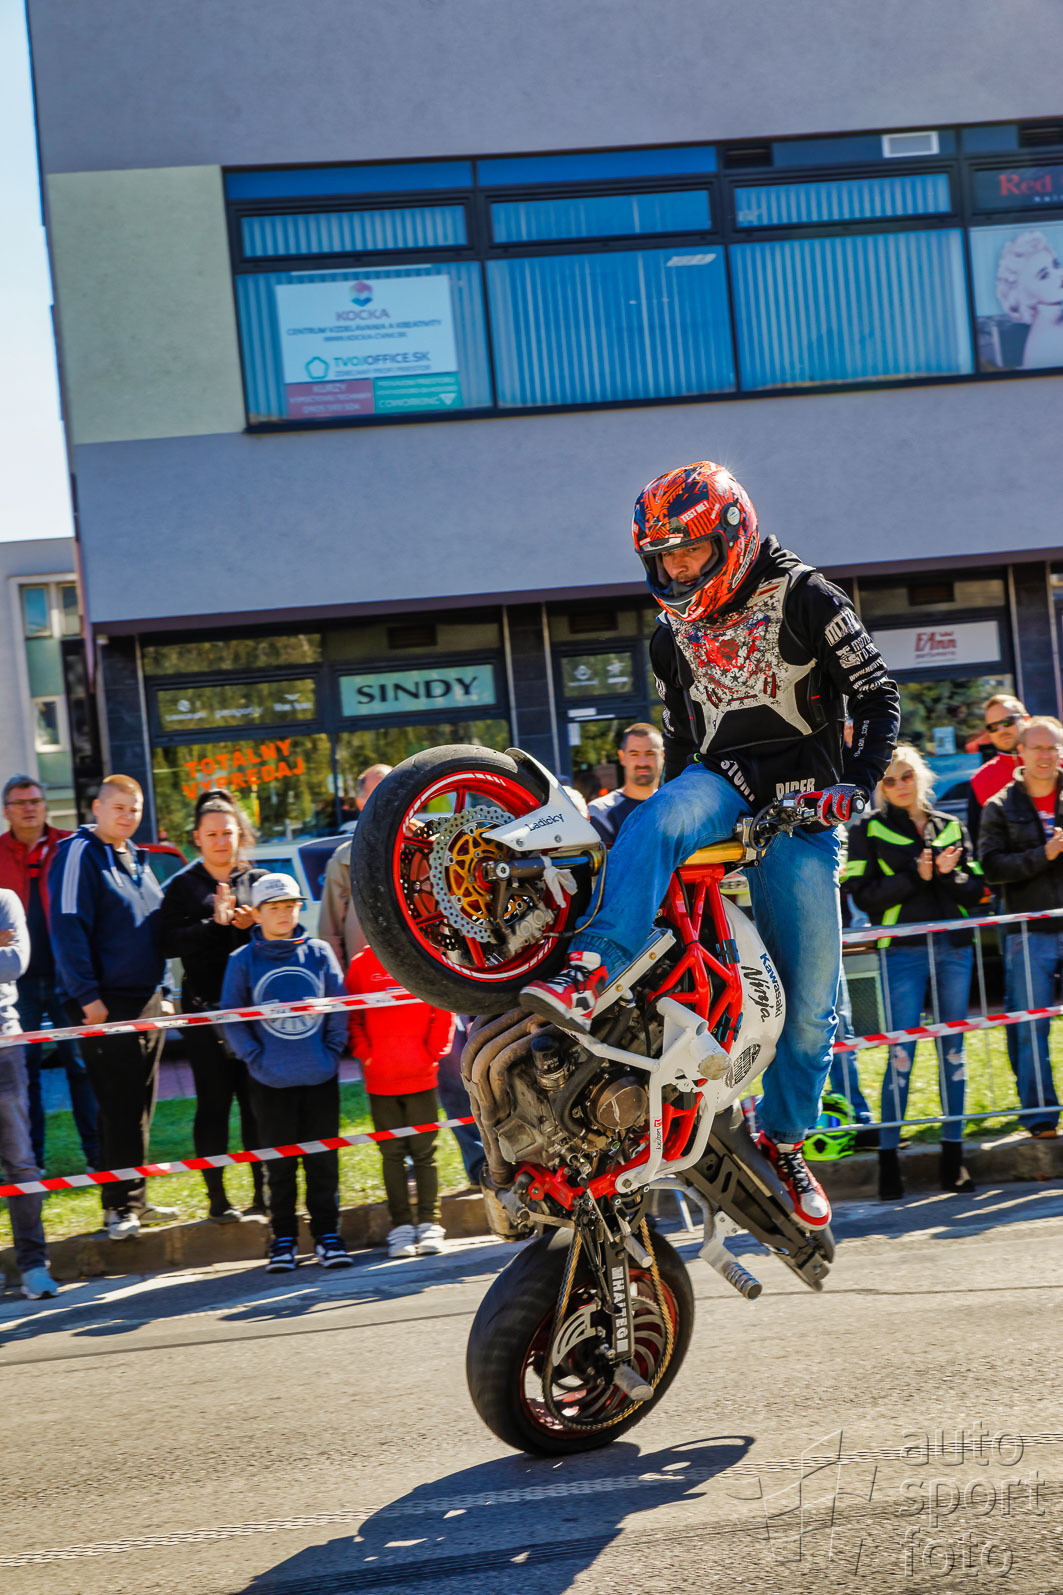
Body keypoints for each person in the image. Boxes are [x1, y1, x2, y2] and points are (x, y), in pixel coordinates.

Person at [522, 460, 899, 1230]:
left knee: (812, 1006)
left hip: (804, 804)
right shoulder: (668, 632)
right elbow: (678, 737)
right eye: (661, 557)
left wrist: (856, 784)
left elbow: (878, 697)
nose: (675, 569)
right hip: (722, 781)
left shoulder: (808, 595)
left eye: (687, 551)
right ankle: (594, 966)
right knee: (656, 817)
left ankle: (783, 1139)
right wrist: (682, 812)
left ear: (731, 533)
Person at [844, 745, 984, 1199]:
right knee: (900, 1056)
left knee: (954, 1053)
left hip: (954, 950)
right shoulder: (867, 828)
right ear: (880, 787)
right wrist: (915, 876)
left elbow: (977, 890)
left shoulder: (950, 825)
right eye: (889, 780)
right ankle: (889, 1163)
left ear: (921, 775)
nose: (900, 785)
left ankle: (953, 1159)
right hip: (900, 952)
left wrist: (947, 874)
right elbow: (862, 895)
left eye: (906, 776)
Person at [48, 775, 177, 1241]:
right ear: (97, 808)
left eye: (134, 808)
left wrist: (164, 990)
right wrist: (87, 997)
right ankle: (117, 1207)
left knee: (141, 1105)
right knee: (117, 1105)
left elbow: (154, 929)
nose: (127, 815)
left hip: (147, 1000)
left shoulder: (137, 858)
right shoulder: (78, 853)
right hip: (103, 1003)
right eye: (118, 807)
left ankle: (136, 1201)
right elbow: (66, 927)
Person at [220, 873, 351, 1272]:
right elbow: (231, 1015)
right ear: (257, 914)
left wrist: (331, 1052)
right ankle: (283, 1239)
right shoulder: (242, 960)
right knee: (279, 1166)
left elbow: (339, 1005)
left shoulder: (319, 952)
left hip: (319, 1076)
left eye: (290, 906)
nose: (283, 914)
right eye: (274, 908)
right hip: (270, 1081)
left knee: (323, 1162)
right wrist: (254, 1058)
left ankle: (328, 1235)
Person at [159, 792, 268, 1221]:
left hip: (255, 1013)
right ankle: (218, 1199)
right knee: (214, 1105)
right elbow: (166, 943)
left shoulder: (259, 879)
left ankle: (263, 1194)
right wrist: (214, 924)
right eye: (212, 835)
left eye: (228, 833)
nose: (221, 842)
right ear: (197, 839)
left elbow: (285, 928)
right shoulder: (183, 886)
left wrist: (255, 923)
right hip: (204, 1012)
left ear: (240, 835)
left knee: (256, 1104)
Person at [0, 775, 98, 1173]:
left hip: (66, 976)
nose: (30, 808)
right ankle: (32, 1162)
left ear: (45, 806)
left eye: (36, 801)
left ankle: (97, 1157)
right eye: (20, 802)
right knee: (24, 1073)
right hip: (14, 984)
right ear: (6, 811)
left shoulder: (69, 846)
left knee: (81, 1065)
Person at [979, 716, 1063, 1140]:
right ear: (1021, 753)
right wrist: (1043, 854)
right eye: (1037, 748)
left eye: (1052, 747)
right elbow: (991, 868)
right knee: (1031, 1030)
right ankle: (1041, 1117)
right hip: (1028, 931)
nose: (1045, 756)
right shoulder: (999, 805)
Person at [345, 943, 455, 1259]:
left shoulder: (422, 953)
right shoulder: (361, 964)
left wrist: (431, 1054)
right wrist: (367, 1055)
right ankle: (401, 1227)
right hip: (380, 1081)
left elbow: (442, 1006)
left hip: (421, 1075)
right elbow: (351, 1015)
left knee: (425, 1154)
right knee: (391, 1155)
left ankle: (430, 1223)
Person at [0, 887, 58, 1299]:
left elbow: (15, 962)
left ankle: (34, 1266)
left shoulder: (5, 900)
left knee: (20, 1161)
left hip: (4, 1045)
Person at [318, 763, 393, 968]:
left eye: (396, 791)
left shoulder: (428, 847)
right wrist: (342, 981)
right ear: (361, 803)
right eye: (379, 794)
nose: (390, 801)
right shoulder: (344, 860)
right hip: (368, 980)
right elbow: (330, 932)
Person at [966, 694, 1028, 852]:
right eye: (993, 727)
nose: (1001, 730)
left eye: (1008, 722)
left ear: (1026, 719)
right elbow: (979, 844)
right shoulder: (981, 780)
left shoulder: (1055, 762)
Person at [587, 723, 665, 847]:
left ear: (663, 755)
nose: (642, 762)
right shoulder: (600, 810)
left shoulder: (676, 806)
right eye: (634, 754)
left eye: (650, 753)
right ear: (622, 757)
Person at [994, 230, 1063, 370]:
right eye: (1044, 275)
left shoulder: (1054, 320)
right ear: (1026, 296)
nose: (1060, 274)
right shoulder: (1044, 343)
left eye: (1056, 265)